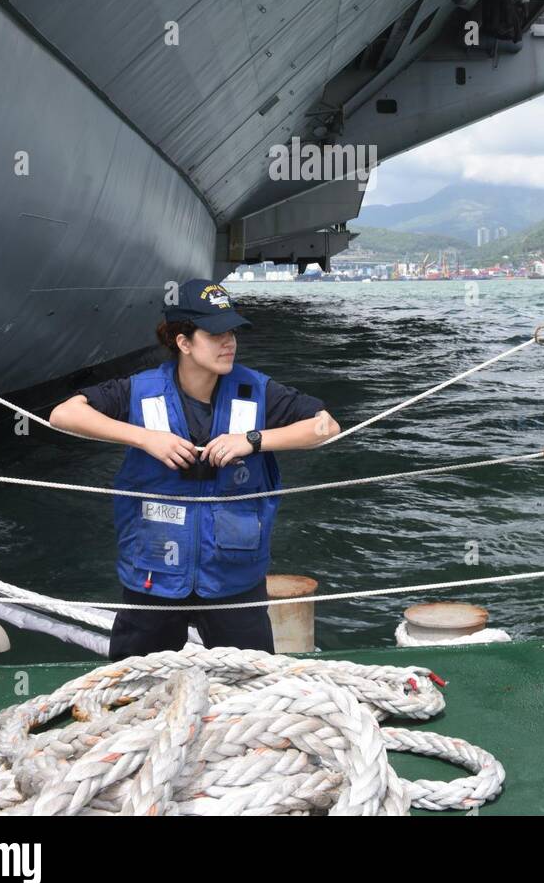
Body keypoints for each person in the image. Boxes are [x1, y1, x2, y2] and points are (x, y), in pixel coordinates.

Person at [49, 279, 340, 657]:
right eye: (216, 333)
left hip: (233, 576)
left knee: (249, 684)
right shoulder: (139, 389)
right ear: (183, 342)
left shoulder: (256, 390)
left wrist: (253, 440)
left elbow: (325, 426)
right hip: (153, 573)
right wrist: (145, 438)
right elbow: (63, 414)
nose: (229, 342)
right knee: (134, 686)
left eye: (232, 331)